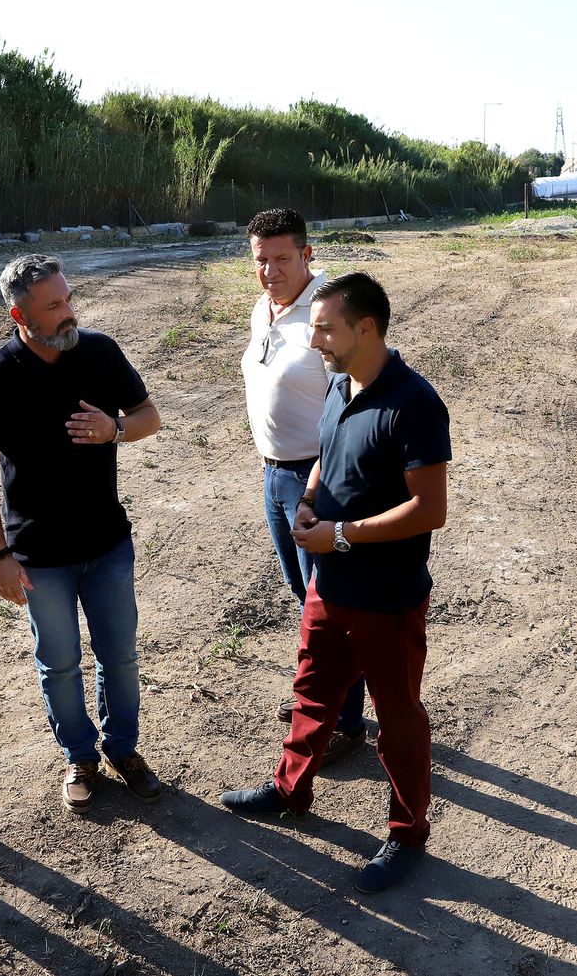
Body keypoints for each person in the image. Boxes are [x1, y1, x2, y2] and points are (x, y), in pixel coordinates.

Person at [221, 271, 450, 895]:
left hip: (387, 593)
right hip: (332, 583)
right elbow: (325, 449)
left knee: (397, 715)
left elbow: (429, 509)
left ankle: (407, 833)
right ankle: (291, 789)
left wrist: (341, 534)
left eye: (325, 326)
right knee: (312, 691)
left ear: (366, 327)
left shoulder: (414, 403)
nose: (314, 337)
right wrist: (311, 498)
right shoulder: (339, 383)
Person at [0, 253, 163, 814]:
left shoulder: (98, 351)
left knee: (119, 655)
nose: (69, 311)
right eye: (54, 306)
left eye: (69, 298)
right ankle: (80, 755)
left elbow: (150, 415)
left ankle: (124, 749)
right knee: (59, 661)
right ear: (18, 315)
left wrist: (115, 429)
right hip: (38, 555)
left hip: (107, 543)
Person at [242, 208, 367, 763]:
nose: (271, 271)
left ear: (307, 255)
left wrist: (319, 489)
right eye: (261, 261)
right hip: (274, 473)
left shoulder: (326, 316)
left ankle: (344, 721)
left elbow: (351, 407)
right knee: (305, 596)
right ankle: (320, 698)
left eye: (283, 258)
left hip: (317, 477)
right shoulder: (263, 312)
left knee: (335, 600)